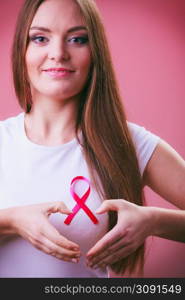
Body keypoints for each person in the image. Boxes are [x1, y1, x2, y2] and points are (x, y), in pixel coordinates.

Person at [0, 0, 185, 278]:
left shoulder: (130, 142)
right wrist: (11, 221)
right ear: (22, 51)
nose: (58, 53)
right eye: (40, 38)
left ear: (95, 52)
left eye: (77, 39)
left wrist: (154, 221)